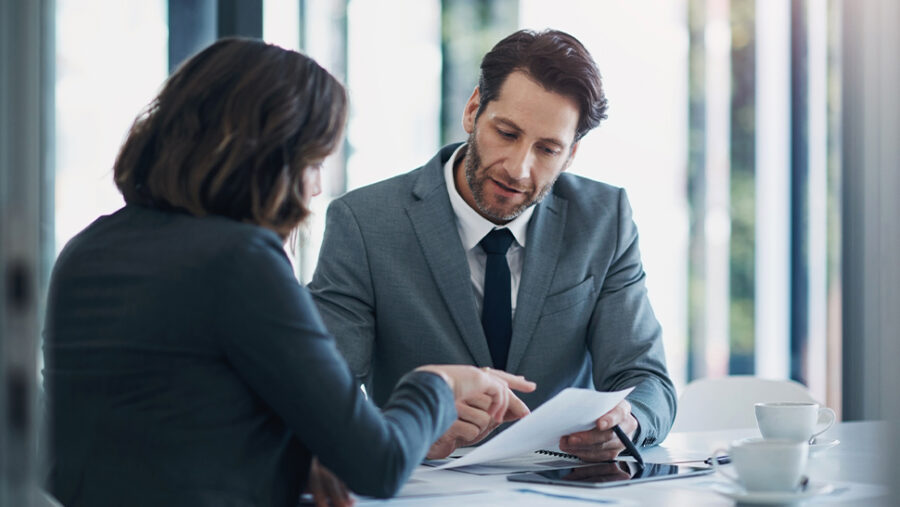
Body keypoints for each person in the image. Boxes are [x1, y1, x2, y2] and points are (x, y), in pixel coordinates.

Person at [42, 37, 534, 507]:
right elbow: (377, 465)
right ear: (268, 157)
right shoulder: (238, 261)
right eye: (313, 161)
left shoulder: (87, 249)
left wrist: (300, 459)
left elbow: (168, 433)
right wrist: (438, 386)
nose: (316, 187)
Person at [309, 28, 676, 462]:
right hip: (421, 481)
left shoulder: (603, 218)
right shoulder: (364, 222)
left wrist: (629, 422)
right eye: (506, 133)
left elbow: (647, 378)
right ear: (472, 111)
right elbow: (323, 395)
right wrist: (412, 429)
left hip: (560, 485)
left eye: (547, 149)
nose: (519, 169)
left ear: (571, 155)